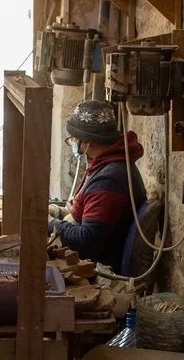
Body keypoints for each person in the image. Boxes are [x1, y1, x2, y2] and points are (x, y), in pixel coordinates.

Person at [53, 99, 146, 270]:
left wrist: (53, 224)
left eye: (74, 140)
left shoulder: (109, 181)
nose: (74, 145)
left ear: (88, 142)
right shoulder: (112, 164)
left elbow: (87, 240)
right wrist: (60, 212)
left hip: (100, 268)